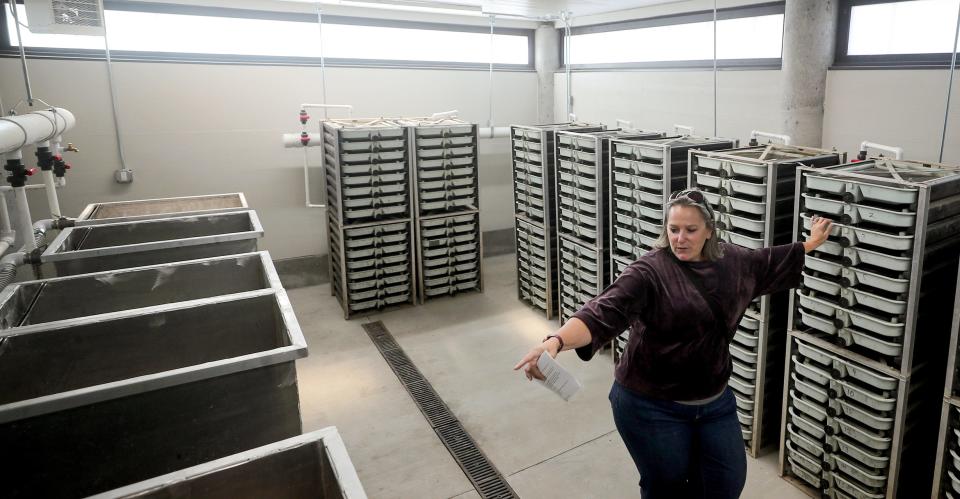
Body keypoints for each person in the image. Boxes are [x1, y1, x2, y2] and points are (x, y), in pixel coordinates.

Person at [513, 187, 832, 499]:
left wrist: (812, 242)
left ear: (709, 230)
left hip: (714, 401)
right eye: (674, 229)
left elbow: (772, 259)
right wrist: (555, 341)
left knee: (726, 482)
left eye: (691, 230)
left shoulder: (736, 262)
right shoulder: (650, 272)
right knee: (666, 486)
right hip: (650, 405)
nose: (680, 238)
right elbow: (602, 311)